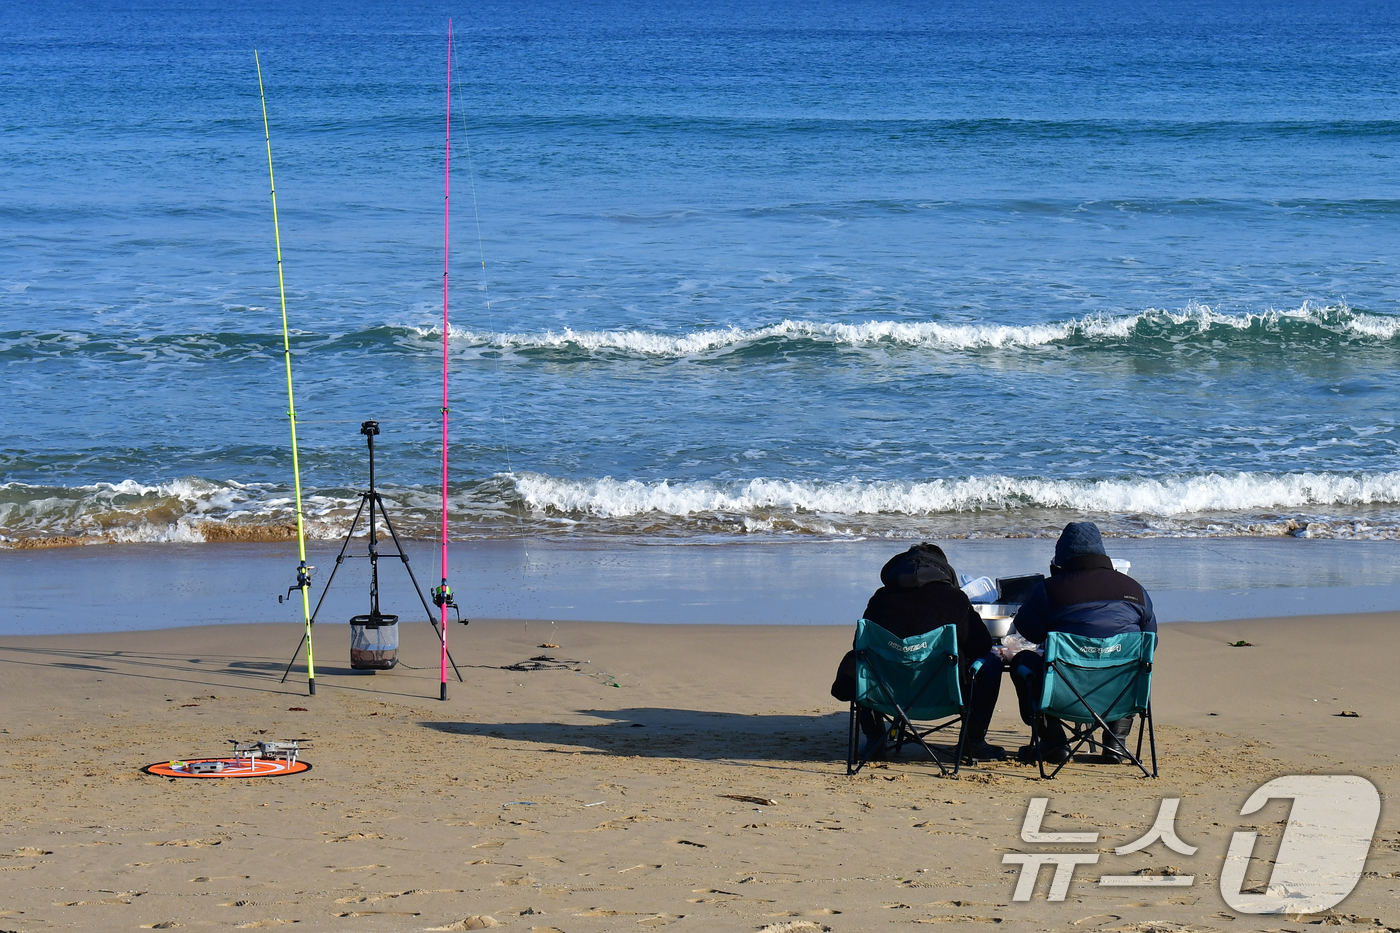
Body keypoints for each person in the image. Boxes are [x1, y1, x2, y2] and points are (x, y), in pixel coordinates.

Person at [831, 543, 1006, 762]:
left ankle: (875, 738)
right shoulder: (955, 599)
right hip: (944, 694)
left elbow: (860, 645)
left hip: (885, 694)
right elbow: (981, 645)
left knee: (863, 661)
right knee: (990, 662)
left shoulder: (880, 599)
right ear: (944, 570)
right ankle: (974, 741)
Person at [1008, 522, 1157, 764]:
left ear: (1060, 558)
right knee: (1134, 663)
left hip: (1065, 694)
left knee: (1022, 662)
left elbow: (1027, 631)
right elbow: (1150, 642)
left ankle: (1054, 743)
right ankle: (1116, 742)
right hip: (1118, 695)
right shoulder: (1135, 589)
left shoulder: (1049, 589)